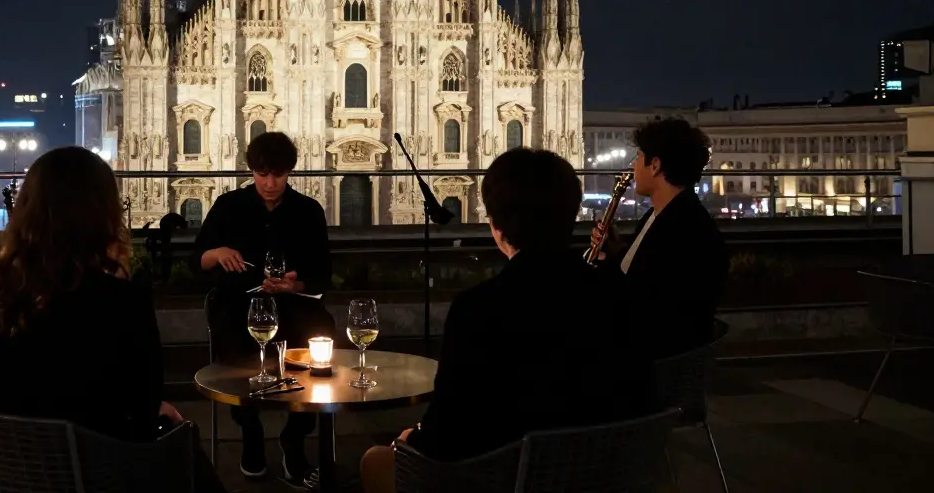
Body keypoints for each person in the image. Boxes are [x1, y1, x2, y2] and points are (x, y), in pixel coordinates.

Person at [360, 148, 655, 493]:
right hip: (605, 474)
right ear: (571, 216)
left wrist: (413, 439)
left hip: (502, 477)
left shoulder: (478, 309)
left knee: (376, 460)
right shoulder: (620, 293)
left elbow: (448, 434)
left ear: (496, 227)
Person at [0, 147, 225, 493]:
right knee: (181, 438)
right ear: (103, 213)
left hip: (7, 470)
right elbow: (143, 406)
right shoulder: (119, 299)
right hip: (96, 471)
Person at [195, 131, 335, 485]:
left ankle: (295, 435)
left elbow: (321, 275)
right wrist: (218, 253)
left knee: (320, 343)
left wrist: (294, 284)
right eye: (262, 174)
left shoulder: (308, 211)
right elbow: (198, 260)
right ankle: (250, 432)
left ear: (290, 172)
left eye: (278, 175)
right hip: (239, 305)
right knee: (236, 350)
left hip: (293, 307)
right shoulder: (228, 206)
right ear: (251, 171)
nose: (270, 183)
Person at [591, 117, 728, 359]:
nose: (633, 167)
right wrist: (616, 252)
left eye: (638, 158)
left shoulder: (684, 229)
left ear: (655, 166)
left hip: (652, 366)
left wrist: (599, 269)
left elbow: (641, 302)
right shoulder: (661, 216)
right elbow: (642, 277)